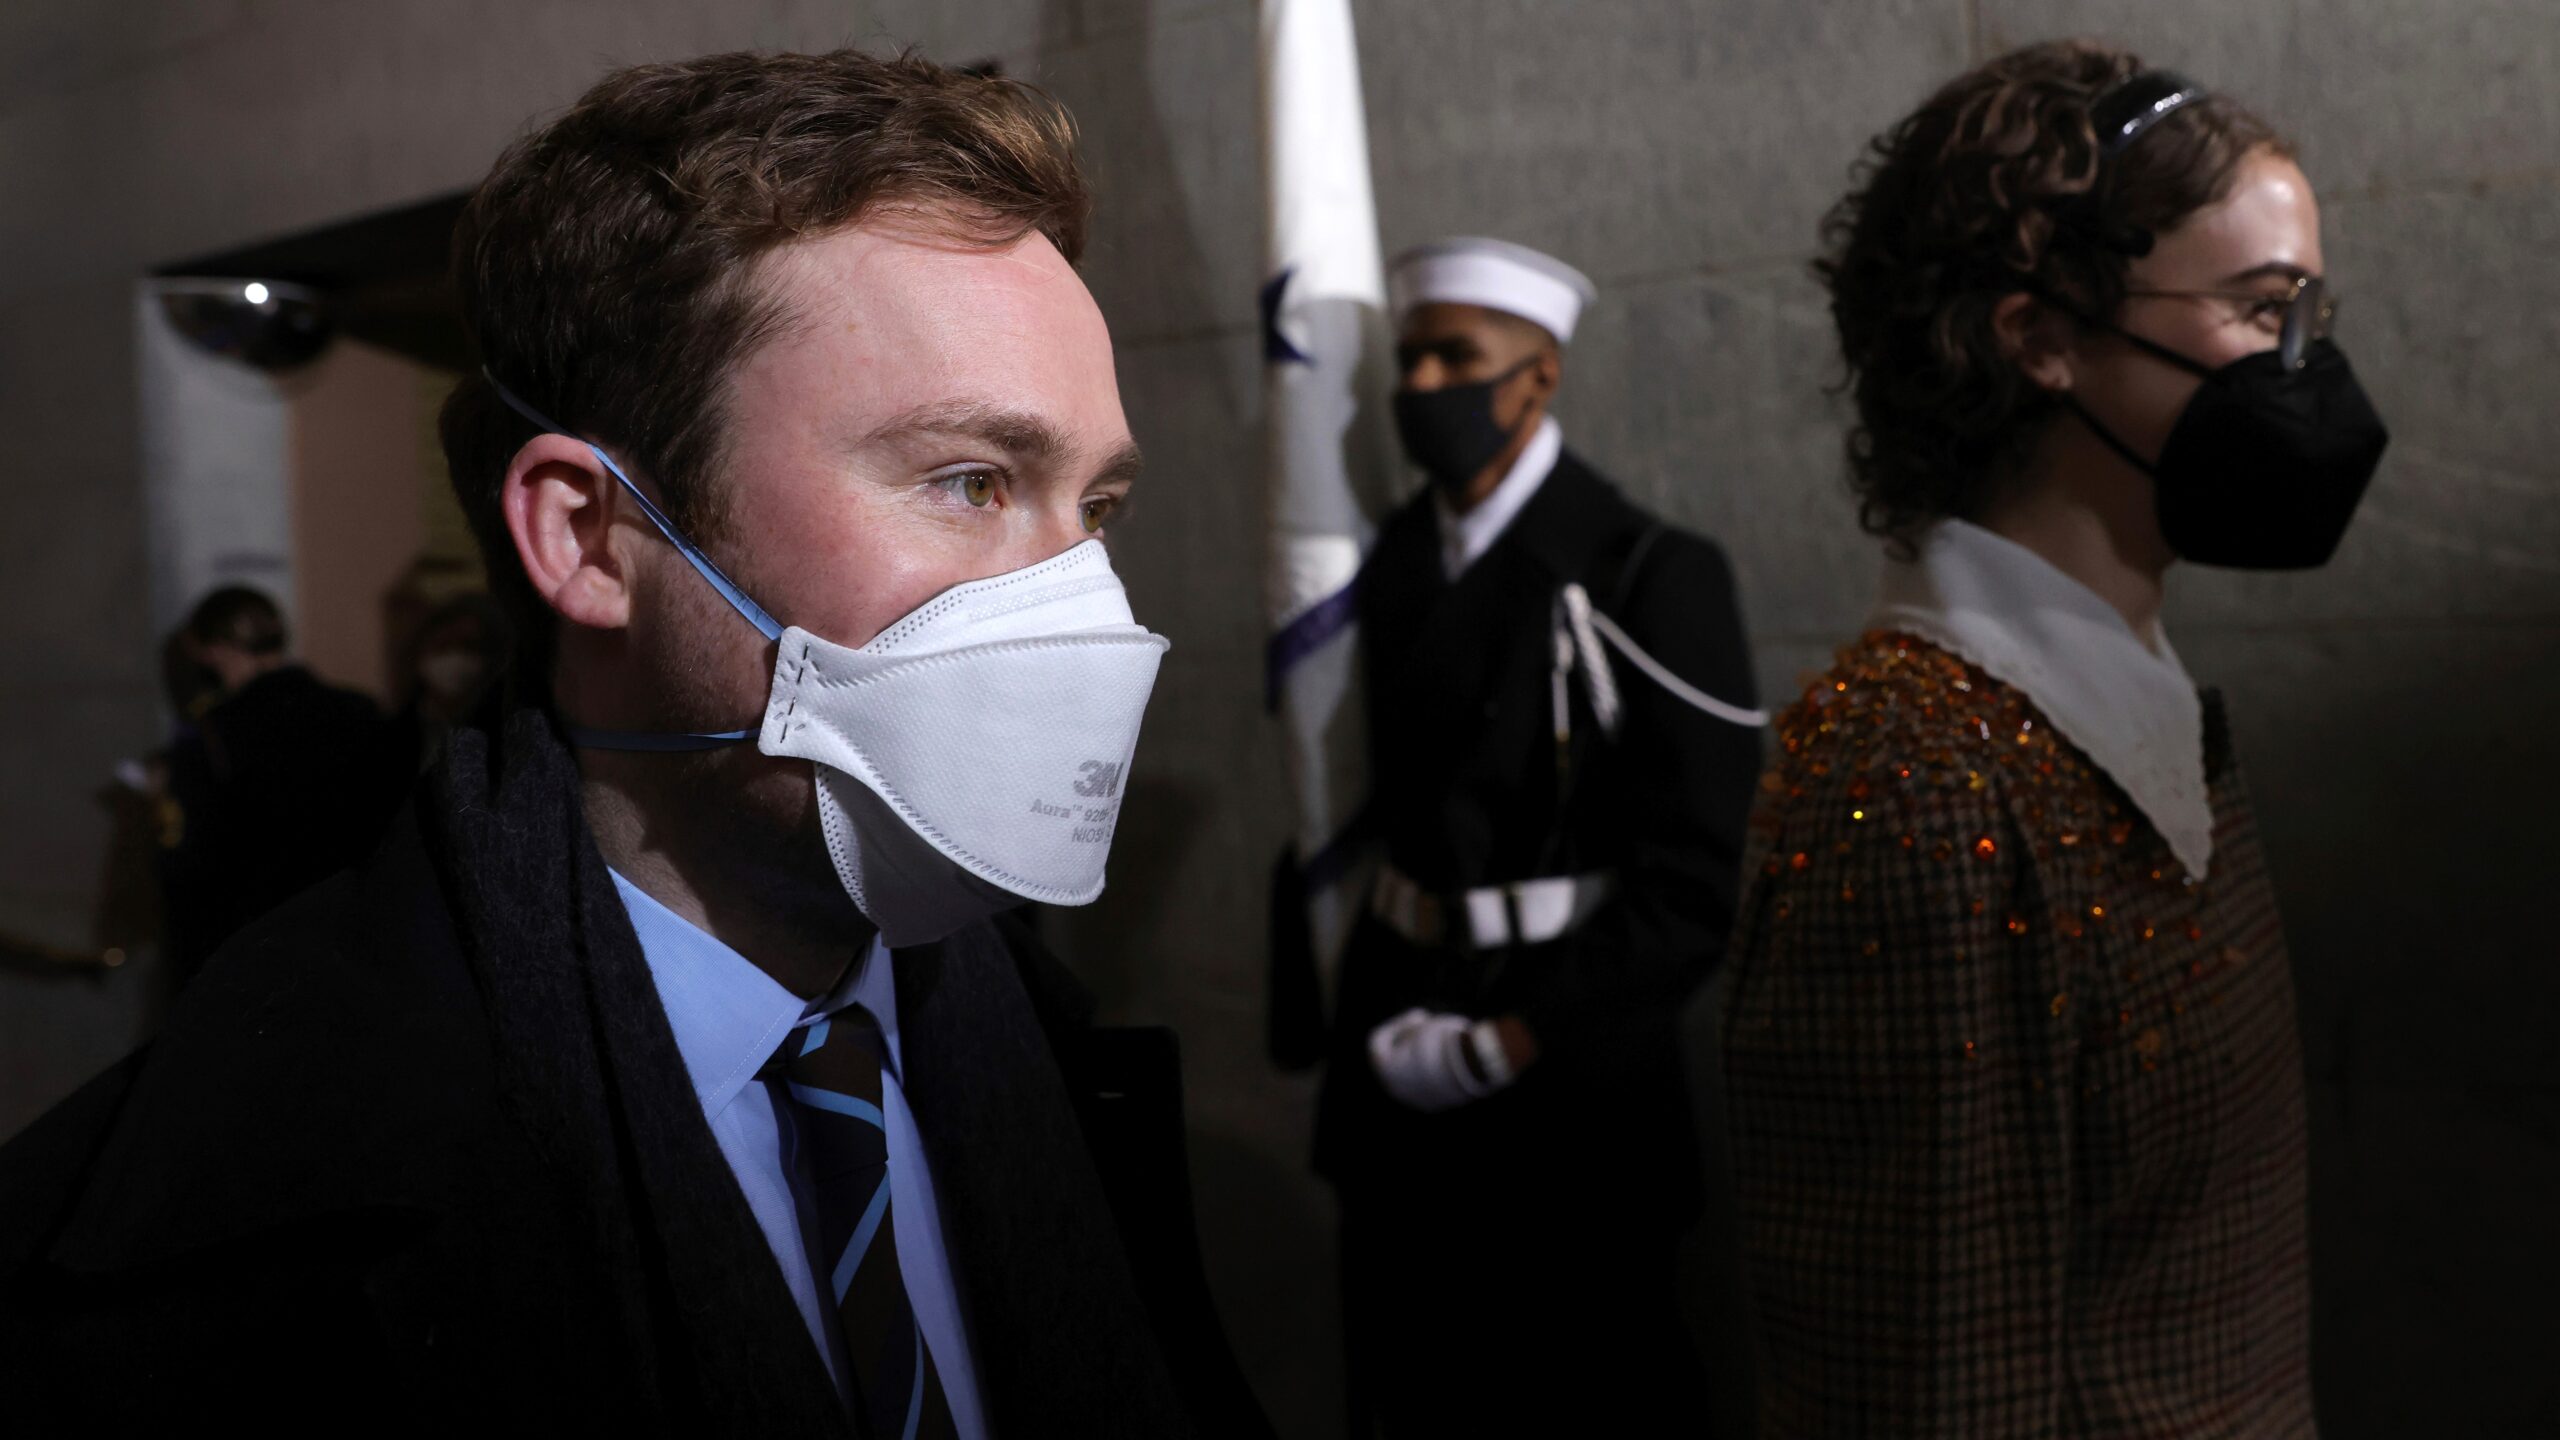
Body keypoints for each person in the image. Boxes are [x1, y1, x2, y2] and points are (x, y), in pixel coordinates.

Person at [0, 50, 1262, 1437]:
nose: (1078, 601)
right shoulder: (181, 1257)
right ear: (592, 541)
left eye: (1100, 507)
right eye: (970, 480)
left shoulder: (1056, 1064)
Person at [1720, 42, 2384, 1436]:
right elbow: (1921, 1387)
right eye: (2264, 310)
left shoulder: (2131, 693)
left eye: (2310, 309)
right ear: (2039, 336)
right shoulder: (1914, 786)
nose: (2306, 368)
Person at [1311, 237, 1765, 1435]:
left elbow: (1696, 881)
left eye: (1457, 356)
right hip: (1399, 1038)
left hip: (1571, 1083)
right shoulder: (1399, 557)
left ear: (1538, 378)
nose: (1420, 388)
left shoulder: (1645, 573)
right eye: (1408, 359)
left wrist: (1519, 1037)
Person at [155, 585, 400, 999]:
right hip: (359, 938)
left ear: (210, 650)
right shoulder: (358, 711)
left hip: (253, 949)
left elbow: (192, 870)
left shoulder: (212, 734)